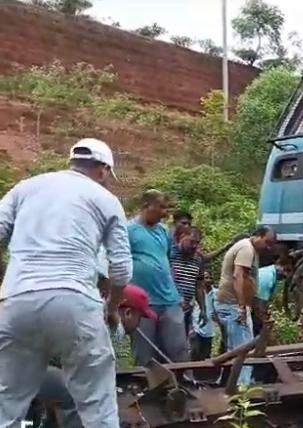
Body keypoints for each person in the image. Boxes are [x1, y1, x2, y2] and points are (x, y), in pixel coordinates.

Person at [0, 138, 132, 427]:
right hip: (75, 301)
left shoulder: (25, 188)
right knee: (98, 405)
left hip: (17, 300)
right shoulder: (105, 199)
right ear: (102, 169)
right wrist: (111, 308)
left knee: (6, 404)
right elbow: (121, 269)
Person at [30, 285, 158, 428]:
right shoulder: (107, 328)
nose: (140, 324)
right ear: (128, 313)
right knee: (77, 396)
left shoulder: (96, 316)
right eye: (139, 317)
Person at [129, 189, 188, 365]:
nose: (165, 212)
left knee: (178, 348)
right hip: (143, 302)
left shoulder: (163, 231)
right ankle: (146, 389)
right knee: (144, 352)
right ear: (146, 206)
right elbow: (116, 263)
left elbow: (166, 261)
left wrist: (177, 291)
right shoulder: (128, 230)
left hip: (170, 299)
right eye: (161, 207)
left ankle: (183, 386)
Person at [215, 226, 279, 385]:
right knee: (243, 349)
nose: (268, 248)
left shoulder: (250, 249)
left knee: (234, 349)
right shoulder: (246, 248)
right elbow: (238, 276)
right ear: (258, 236)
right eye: (267, 242)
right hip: (233, 305)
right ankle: (242, 389)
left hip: (232, 304)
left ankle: (227, 384)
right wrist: (242, 307)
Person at [171, 226, 206, 338]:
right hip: (168, 308)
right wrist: (177, 298)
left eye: (197, 242)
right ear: (182, 237)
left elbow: (199, 287)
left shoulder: (198, 260)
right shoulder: (170, 254)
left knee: (181, 344)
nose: (194, 246)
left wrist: (203, 309)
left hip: (187, 309)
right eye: (191, 242)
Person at [191, 272, 217, 361]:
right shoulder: (196, 292)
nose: (208, 280)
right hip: (197, 325)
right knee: (195, 351)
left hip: (209, 327)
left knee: (206, 353)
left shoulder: (216, 293)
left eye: (210, 278)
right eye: (206, 278)